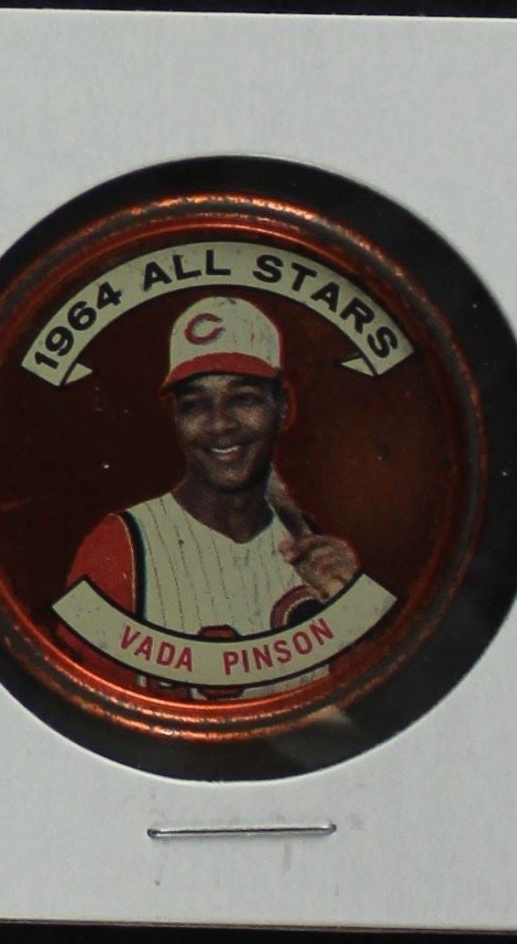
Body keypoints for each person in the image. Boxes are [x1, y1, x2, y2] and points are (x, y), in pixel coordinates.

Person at [65, 295, 358, 693]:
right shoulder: (118, 549)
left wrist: (350, 606)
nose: (220, 425)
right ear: (176, 417)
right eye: (195, 404)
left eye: (244, 398)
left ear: (283, 405)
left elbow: (355, 716)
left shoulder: (318, 554)